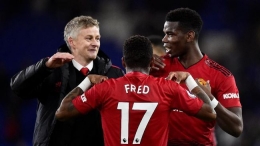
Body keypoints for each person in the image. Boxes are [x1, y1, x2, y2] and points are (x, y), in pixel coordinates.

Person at [55, 35, 217, 146]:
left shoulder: (105, 89)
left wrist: (87, 81)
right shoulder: (168, 88)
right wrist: (188, 79)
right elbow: (209, 112)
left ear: (124, 62)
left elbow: (62, 112)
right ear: (152, 61)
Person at [10, 16, 124, 146]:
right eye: (89, 38)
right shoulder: (51, 70)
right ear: (72, 42)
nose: (95, 43)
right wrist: (45, 66)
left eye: (97, 38)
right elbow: (18, 88)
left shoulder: (114, 74)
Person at [150, 8, 243, 145]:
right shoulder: (156, 66)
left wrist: (209, 98)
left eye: (170, 34)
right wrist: (138, 64)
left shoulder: (221, 76)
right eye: (164, 34)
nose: (164, 40)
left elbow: (236, 128)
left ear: (189, 36)